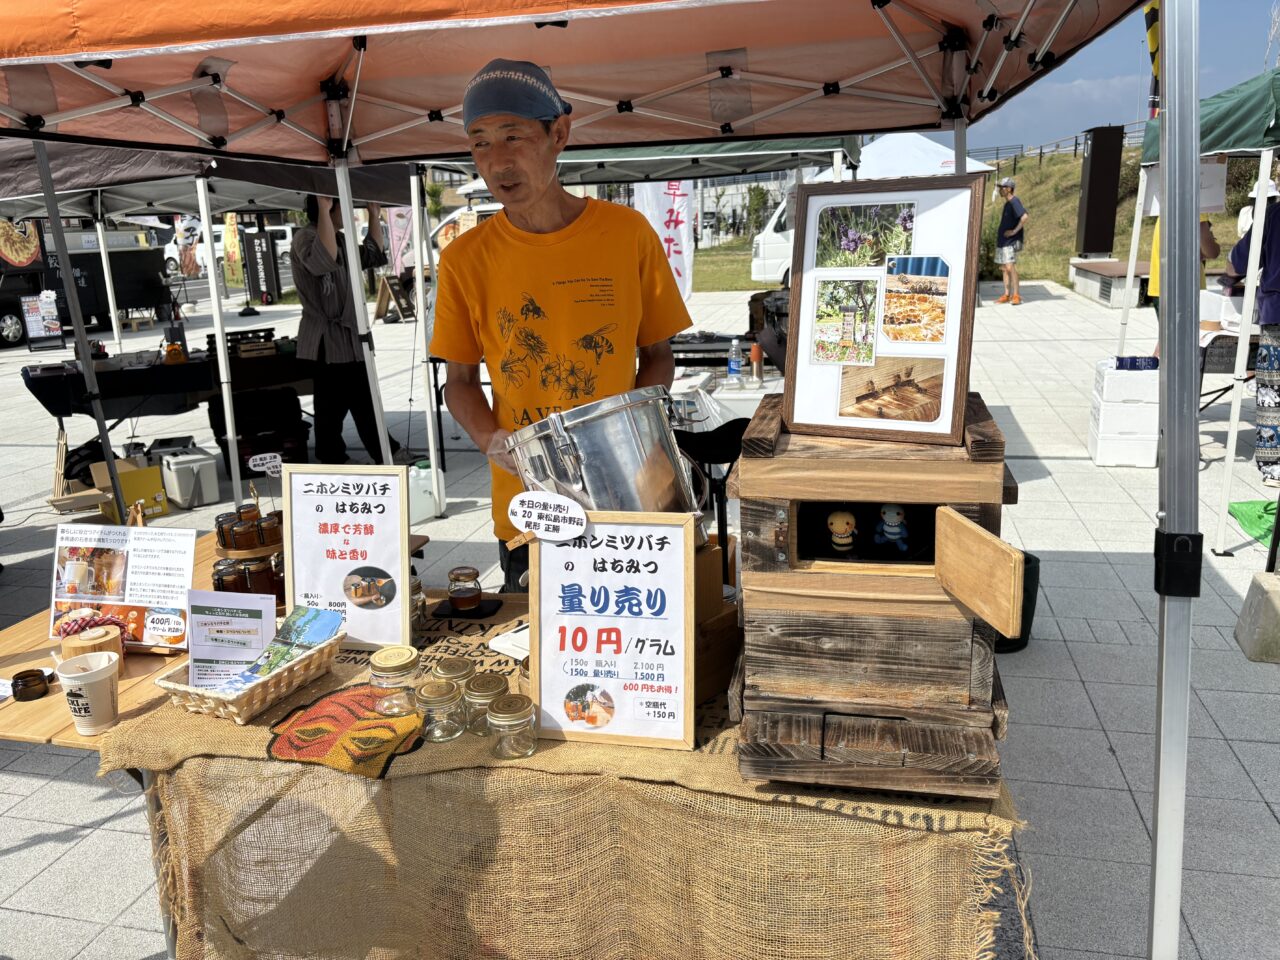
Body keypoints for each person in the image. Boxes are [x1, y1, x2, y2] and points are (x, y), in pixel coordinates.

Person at [429, 58, 692, 591]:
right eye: (480, 143)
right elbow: (459, 382)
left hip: (629, 496)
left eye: (513, 136)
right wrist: (489, 439)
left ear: (559, 134)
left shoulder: (627, 234)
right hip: (531, 506)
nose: (498, 162)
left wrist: (639, 437)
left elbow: (658, 355)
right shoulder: (464, 258)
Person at [291, 195, 403, 465]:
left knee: (345, 402)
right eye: (344, 207)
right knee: (344, 403)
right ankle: (375, 454)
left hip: (350, 338)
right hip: (326, 340)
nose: (351, 213)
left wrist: (373, 215)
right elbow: (324, 261)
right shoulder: (305, 237)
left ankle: (365, 454)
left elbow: (372, 255)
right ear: (328, 207)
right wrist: (324, 208)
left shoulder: (340, 238)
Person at [1226, 200, 1280, 484]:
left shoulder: (1273, 215)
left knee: (1272, 393)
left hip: (1276, 312)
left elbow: (1238, 262)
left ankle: (1274, 467)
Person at [994, 177, 1028, 305]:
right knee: (1004, 268)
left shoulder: (1014, 201)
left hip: (1010, 241)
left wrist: (1014, 232)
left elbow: (1024, 217)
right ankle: (1007, 294)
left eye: (1002, 187)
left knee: (1010, 267)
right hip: (1002, 241)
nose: (1000, 190)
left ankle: (1016, 295)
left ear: (1009, 189)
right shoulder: (1008, 203)